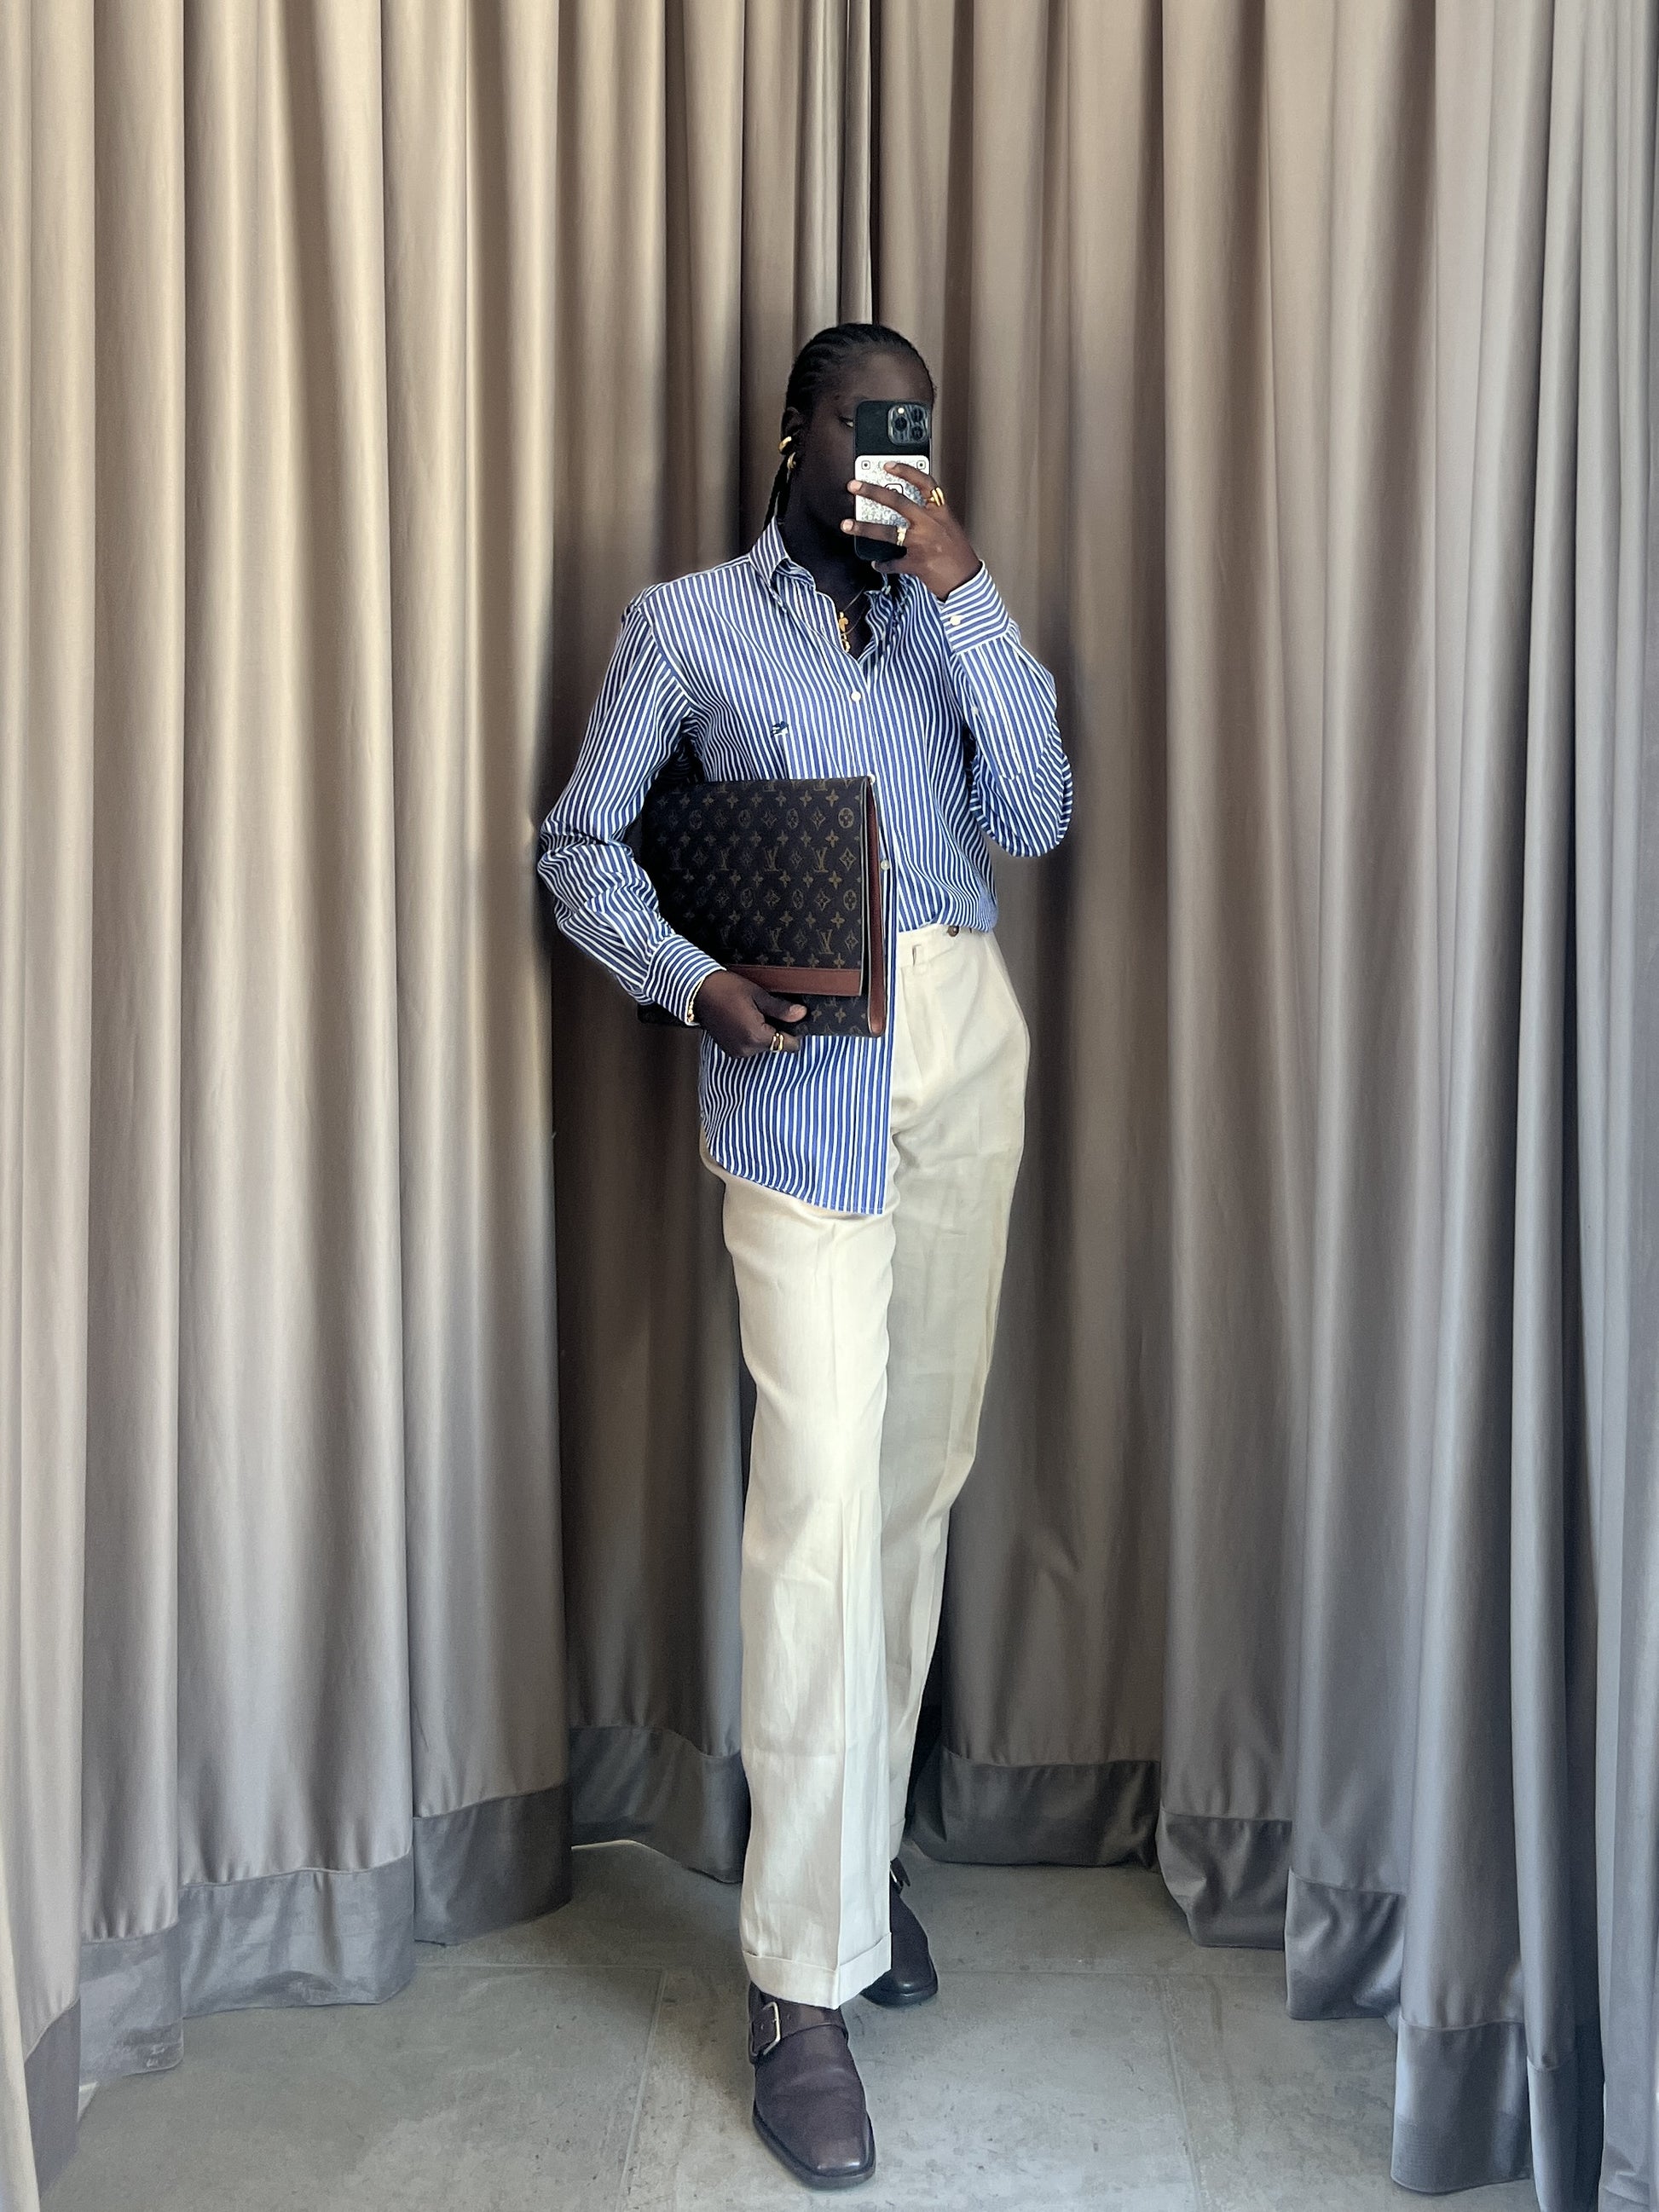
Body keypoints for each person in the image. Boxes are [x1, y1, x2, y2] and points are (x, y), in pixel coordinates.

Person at [539, 321, 1072, 2190]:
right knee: (819, 1509)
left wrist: (965, 587)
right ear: (794, 433)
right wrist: (690, 982)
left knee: (914, 1489)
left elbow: (1036, 813)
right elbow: (582, 844)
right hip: (798, 1083)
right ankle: (794, 1982)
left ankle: (856, 1869)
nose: (890, 460)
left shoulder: (943, 618)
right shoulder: (686, 624)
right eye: (866, 425)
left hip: (961, 1047)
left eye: (917, 431)